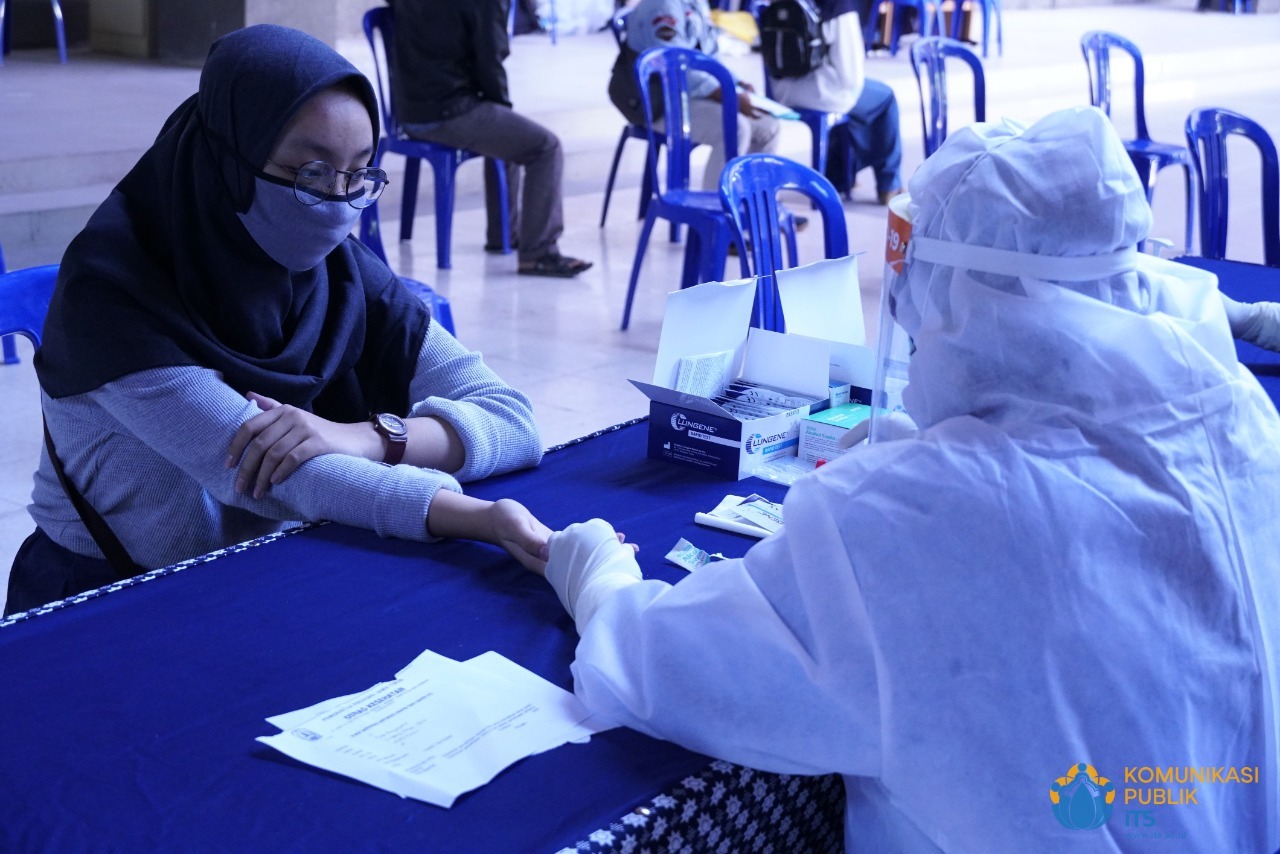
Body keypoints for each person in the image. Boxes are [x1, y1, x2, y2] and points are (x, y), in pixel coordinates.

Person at [542, 106, 1280, 851]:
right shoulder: (1235, 414)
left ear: (962, 298)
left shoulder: (923, 514)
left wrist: (599, 581)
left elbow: (671, 669)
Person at [6, 25, 550, 616]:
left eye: (359, 174)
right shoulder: (113, 296)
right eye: (309, 173)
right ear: (229, 160)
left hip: (260, 575)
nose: (337, 205)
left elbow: (512, 419)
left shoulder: (339, 273)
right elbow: (285, 476)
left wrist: (366, 436)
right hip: (102, 599)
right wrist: (482, 518)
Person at [386, 0, 592, 279]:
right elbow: (490, 59)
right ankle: (538, 252)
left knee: (510, 135)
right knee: (545, 147)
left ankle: (503, 235)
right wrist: (502, 109)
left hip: (409, 110)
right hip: (449, 110)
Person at [610, 0, 782, 191]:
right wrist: (727, 94)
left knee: (768, 126)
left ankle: (756, 202)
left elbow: (710, 56)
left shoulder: (698, 3)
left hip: (692, 94)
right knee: (734, 128)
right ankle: (716, 205)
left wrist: (737, 83)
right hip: (660, 103)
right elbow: (675, 67)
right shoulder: (662, 6)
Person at [765, 0, 904, 204]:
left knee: (862, 104)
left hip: (781, 91)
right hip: (823, 93)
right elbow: (850, 76)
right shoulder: (839, 6)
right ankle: (888, 185)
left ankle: (841, 174)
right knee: (884, 99)